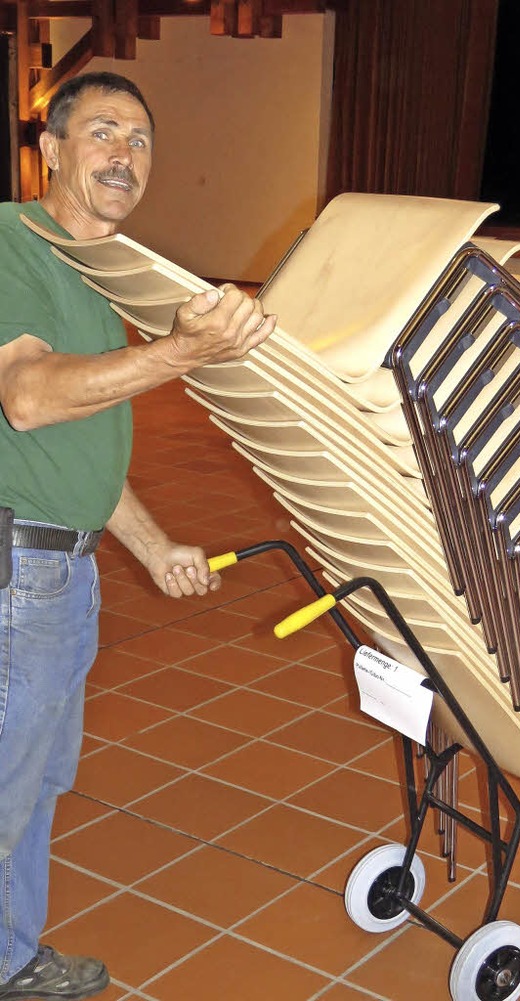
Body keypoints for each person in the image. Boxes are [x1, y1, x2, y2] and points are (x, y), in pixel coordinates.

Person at [0, 71, 277, 1000]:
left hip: (62, 575)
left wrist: (152, 547)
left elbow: (81, 451)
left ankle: (8, 959)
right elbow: (30, 400)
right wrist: (184, 351)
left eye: (143, 140)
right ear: (53, 151)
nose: (126, 154)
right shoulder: (10, 243)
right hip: (15, 577)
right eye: (105, 132)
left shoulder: (93, 275)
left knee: (30, 792)